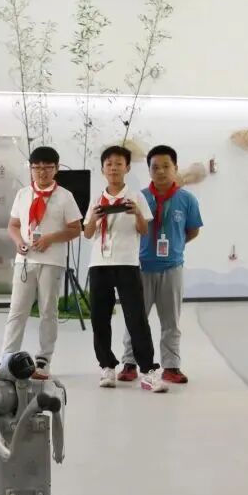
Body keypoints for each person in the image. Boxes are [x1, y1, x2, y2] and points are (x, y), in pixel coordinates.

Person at [82, 146, 165, 392]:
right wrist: (95, 218)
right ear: (102, 169)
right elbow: (87, 233)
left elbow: (144, 230)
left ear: (127, 168)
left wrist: (137, 212)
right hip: (99, 264)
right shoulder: (97, 198)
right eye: (109, 164)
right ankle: (106, 366)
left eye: (118, 164)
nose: (113, 168)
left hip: (127, 263)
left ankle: (148, 370)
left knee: (136, 317)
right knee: (100, 318)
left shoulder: (136, 196)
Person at [0, 147, 83, 378]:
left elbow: (76, 228)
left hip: (52, 261)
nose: (42, 172)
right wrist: (18, 242)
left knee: (48, 311)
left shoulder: (65, 196)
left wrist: (50, 239)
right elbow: (13, 225)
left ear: (56, 168)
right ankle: (5, 359)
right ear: (31, 169)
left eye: (47, 167)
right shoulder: (23, 194)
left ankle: (44, 360)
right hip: (25, 261)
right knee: (17, 310)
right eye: (37, 167)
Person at [119, 145, 203, 385]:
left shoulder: (187, 199)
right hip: (141, 268)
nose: (161, 171)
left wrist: (175, 246)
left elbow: (192, 231)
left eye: (166, 166)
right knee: (135, 319)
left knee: (171, 322)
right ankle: (129, 363)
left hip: (172, 268)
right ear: (149, 170)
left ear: (175, 168)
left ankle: (171, 366)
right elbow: (129, 230)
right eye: (155, 167)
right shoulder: (139, 198)